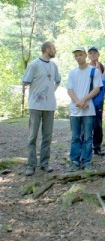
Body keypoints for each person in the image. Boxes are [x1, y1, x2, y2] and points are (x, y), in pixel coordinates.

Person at [22, 41, 61, 176]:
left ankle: (44, 163)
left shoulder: (54, 66)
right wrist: (36, 91)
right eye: (54, 48)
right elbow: (25, 81)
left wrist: (52, 90)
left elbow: (58, 80)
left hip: (49, 106)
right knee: (32, 136)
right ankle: (31, 165)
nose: (55, 50)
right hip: (35, 106)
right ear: (47, 49)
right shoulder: (34, 64)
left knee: (47, 137)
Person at [67, 46, 102, 171]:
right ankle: (75, 161)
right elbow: (69, 89)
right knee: (75, 136)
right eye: (76, 55)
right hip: (75, 110)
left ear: (85, 55)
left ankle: (87, 161)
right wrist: (77, 101)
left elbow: (97, 88)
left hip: (89, 109)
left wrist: (84, 100)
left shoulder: (94, 71)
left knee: (88, 136)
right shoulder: (72, 72)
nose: (78, 57)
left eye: (80, 54)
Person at [88, 46, 105, 156]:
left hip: (99, 99)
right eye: (91, 53)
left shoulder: (103, 66)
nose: (93, 55)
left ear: (98, 54)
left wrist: (99, 69)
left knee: (97, 124)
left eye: (95, 53)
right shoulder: (86, 67)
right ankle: (87, 146)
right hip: (88, 98)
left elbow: (103, 81)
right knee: (87, 123)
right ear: (88, 55)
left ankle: (97, 146)